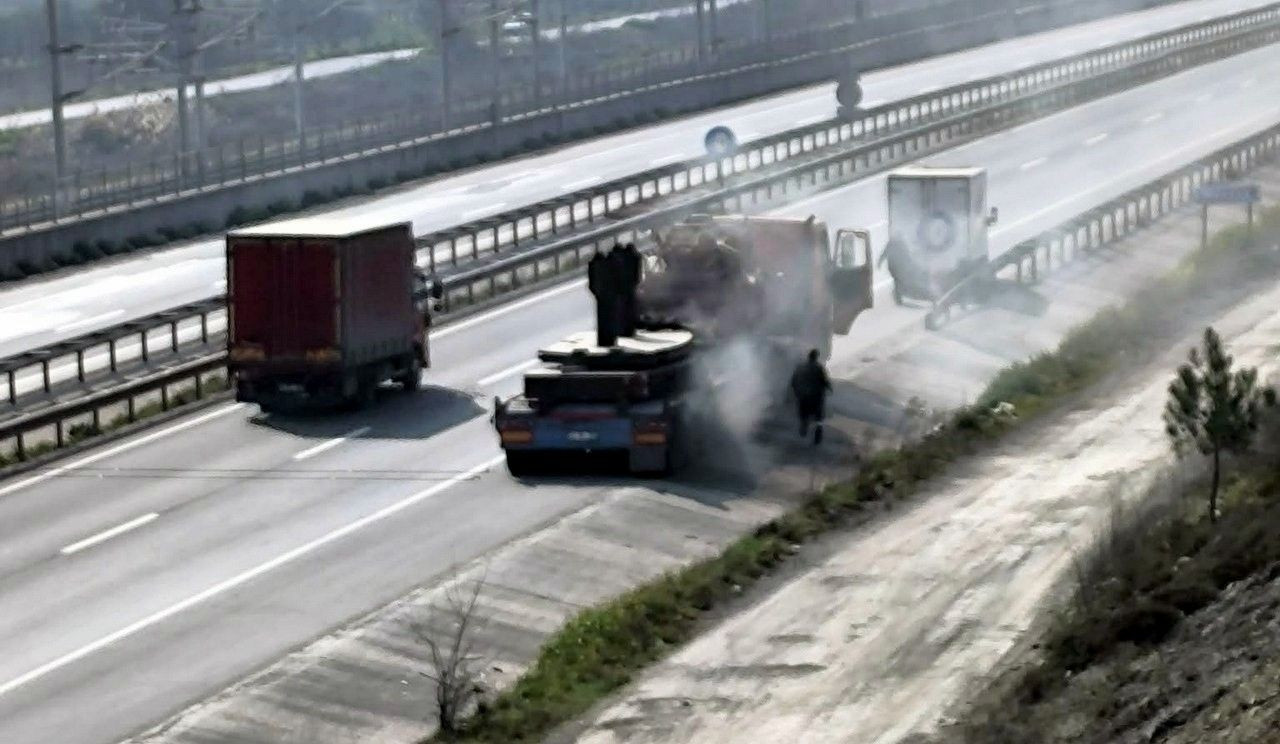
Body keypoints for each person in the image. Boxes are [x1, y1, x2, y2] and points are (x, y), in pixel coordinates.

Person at [790, 349, 832, 443]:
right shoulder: (818, 368)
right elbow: (824, 381)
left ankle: (804, 424)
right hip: (816, 396)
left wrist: (796, 392)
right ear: (816, 357)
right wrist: (829, 388)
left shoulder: (800, 366)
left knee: (803, 412)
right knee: (819, 414)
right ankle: (818, 429)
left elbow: (794, 380)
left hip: (803, 395)